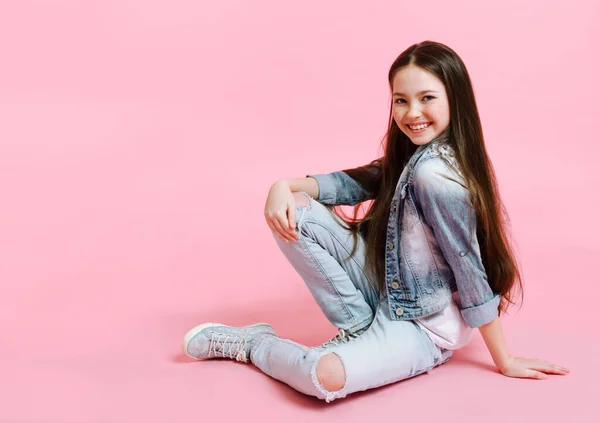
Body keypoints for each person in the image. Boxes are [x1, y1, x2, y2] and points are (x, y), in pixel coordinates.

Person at [181, 40, 569, 403]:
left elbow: (469, 269)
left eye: (427, 98)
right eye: (401, 100)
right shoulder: (418, 154)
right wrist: (284, 185)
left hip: (421, 328)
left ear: (456, 100)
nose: (411, 113)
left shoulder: (437, 176)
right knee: (294, 208)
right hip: (387, 291)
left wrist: (505, 360)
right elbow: (364, 179)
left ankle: (254, 344)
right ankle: (359, 329)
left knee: (323, 377)